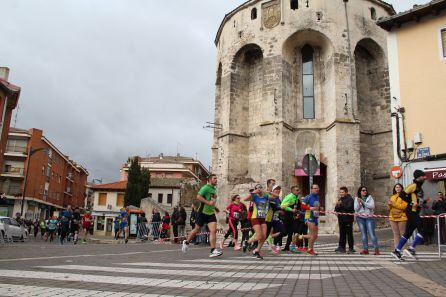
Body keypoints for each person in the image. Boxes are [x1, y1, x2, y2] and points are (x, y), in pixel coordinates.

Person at [182, 174, 222, 257]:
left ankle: (213, 250)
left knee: (213, 231)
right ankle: (186, 242)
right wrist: (209, 203)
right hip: (202, 212)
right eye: (215, 178)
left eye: (216, 178)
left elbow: (211, 200)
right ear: (210, 180)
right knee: (196, 229)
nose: (216, 180)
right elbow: (198, 197)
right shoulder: (205, 188)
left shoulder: (213, 189)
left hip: (210, 213)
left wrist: (215, 208)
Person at [392, 170, 427, 260]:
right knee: (422, 230)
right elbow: (402, 195)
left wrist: (423, 202)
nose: (425, 177)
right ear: (418, 177)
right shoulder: (413, 186)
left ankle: (397, 251)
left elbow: (417, 199)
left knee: (408, 233)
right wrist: (411, 203)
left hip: (415, 211)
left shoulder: (419, 187)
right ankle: (411, 249)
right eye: (423, 176)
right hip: (411, 211)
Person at [243, 184, 272, 260]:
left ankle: (257, 251)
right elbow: (245, 199)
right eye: (257, 188)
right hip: (255, 218)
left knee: (264, 237)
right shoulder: (254, 197)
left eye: (260, 187)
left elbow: (276, 196)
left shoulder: (265, 196)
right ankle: (247, 242)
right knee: (259, 236)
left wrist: (268, 192)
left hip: (262, 218)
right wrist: (253, 192)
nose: (259, 189)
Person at [354, 186, 379, 255]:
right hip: (360, 217)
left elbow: (372, 206)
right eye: (363, 190)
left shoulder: (369, 198)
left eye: (365, 190)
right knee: (363, 234)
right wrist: (359, 203)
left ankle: (376, 249)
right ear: (360, 191)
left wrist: (363, 202)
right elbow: (356, 209)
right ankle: (365, 249)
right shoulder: (357, 198)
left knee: (371, 233)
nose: (365, 191)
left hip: (369, 217)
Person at [298, 184, 321, 256]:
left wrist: (320, 209)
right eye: (314, 188)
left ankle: (299, 236)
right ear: (311, 189)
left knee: (315, 235)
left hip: (315, 217)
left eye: (317, 188)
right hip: (309, 217)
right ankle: (310, 249)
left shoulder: (318, 197)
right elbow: (302, 206)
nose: (316, 189)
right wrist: (310, 208)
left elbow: (316, 206)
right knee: (313, 235)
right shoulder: (308, 197)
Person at [334, 186, 355, 254]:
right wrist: (337, 206)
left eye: (342, 192)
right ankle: (341, 247)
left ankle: (351, 248)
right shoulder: (340, 199)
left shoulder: (350, 199)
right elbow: (336, 209)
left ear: (346, 192)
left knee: (349, 234)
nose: (341, 193)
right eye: (340, 192)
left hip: (348, 220)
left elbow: (349, 208)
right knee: (342, 234)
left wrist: (341, 204)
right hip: (341, 219)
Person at [388, 183, 408, 250]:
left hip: (402, 217)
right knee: (396, 234)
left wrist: (393, 204)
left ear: (402, 188)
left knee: (403, 234)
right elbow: (389, 208)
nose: (398, 188)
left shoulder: (405, 196)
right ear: (394, 188)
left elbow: (404, 206)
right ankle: (397, 250)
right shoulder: (392, 196)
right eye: (396, 187)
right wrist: (389, 204)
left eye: (399, 187)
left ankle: (404, 249)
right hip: (392, 217)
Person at [280, 186, 300, 251]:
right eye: (297, 190)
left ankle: (287, 247)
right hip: (286, 216)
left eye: (298, 190)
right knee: (284, 232)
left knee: (291, 232)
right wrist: (291, 210)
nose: (298, 191)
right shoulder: (289, 197)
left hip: (292, 217)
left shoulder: (296, 198)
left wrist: (297, 212)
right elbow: (282, 205)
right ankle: (275, 240)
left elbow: (296, 206)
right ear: (293, 191)